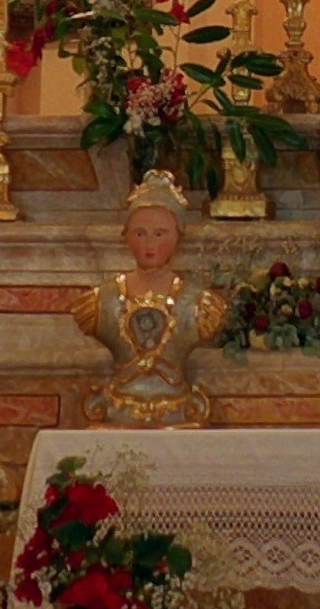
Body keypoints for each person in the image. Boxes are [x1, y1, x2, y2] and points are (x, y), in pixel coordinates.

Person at [70, 173, 225, 428]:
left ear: (178, 236)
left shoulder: (200, 302)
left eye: (159, 233)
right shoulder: (101, 300)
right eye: (140, 233)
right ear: (126, 235)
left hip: (179, 412)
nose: (149, 244)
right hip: (117, 410)